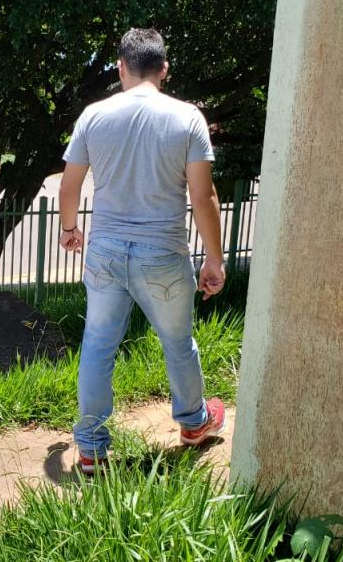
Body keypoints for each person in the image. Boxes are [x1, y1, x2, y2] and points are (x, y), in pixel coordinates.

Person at [58, 28, 227, 475]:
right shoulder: (187, 118)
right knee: (178, 343)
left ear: (121, 67)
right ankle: (193, 423)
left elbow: (70, 186)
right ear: (164, 69)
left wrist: (70, 228)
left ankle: (92, 449)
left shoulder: (94, 115)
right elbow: (203, 196)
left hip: (106, 251)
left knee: (98, 345)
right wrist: (214, 258)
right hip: (162, 253)